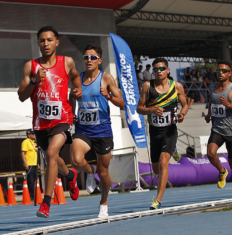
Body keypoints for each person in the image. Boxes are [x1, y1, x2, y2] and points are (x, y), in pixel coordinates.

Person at [17, 26, 83, 218]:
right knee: (52, 159)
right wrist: (35, 81)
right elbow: (22, 96)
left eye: (49, 40)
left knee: (52, 153)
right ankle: (70, 175)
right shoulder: (31, 66)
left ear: (57, 42)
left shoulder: (67, 62)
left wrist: (77, 90)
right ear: (38, 43)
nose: (45, 44)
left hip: (62, 119)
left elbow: (76, 77)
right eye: (42, 41)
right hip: (40, 124)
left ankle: (46, 203)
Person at [70, 44, 125, 218]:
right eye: (86, 57)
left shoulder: (106, 78)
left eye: (92, 57)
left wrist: (108, 96)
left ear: (100, 61)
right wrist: (72, 112)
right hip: (83, 130)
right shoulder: (77, 79)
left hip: (103, 131)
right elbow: (71, 97)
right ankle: (89, 171)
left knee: (104, 172)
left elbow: (121, 102)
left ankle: (104, 203)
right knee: (76, 161)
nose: (88, 60)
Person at [137, 58, 188, 210]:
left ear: (168, 70)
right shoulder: (147, 86)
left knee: (164, 162)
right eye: (156, 69)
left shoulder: (177, 87)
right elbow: (139, 108)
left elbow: (184, 105)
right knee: (156, 168)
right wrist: (152, 110)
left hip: (170, 130)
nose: (159, 71)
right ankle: (174, 150)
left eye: (162, 68)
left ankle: (157, 200)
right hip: (155, 131)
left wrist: (182, 114)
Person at [204, 61, 232, 198]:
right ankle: (222, 171)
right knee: (210, 153)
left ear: (229, 73)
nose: (220, 73)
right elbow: (212, 101)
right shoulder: (212, 88)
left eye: (224, 71)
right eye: (219, 70)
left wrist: (229, 104)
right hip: (217, 128)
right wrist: (209, 114)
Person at [21, 129, 38, 200]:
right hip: (29, 164)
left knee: (35, 179)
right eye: (32, 134)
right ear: (29, 135)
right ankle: (31, 195)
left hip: (35, 163)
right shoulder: (26, 142)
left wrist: (38, 163)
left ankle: (37, 194)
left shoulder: (35, 142)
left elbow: (36, 153)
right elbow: (22, 153)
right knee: (30, 180)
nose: (34, 135)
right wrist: (25, 163)